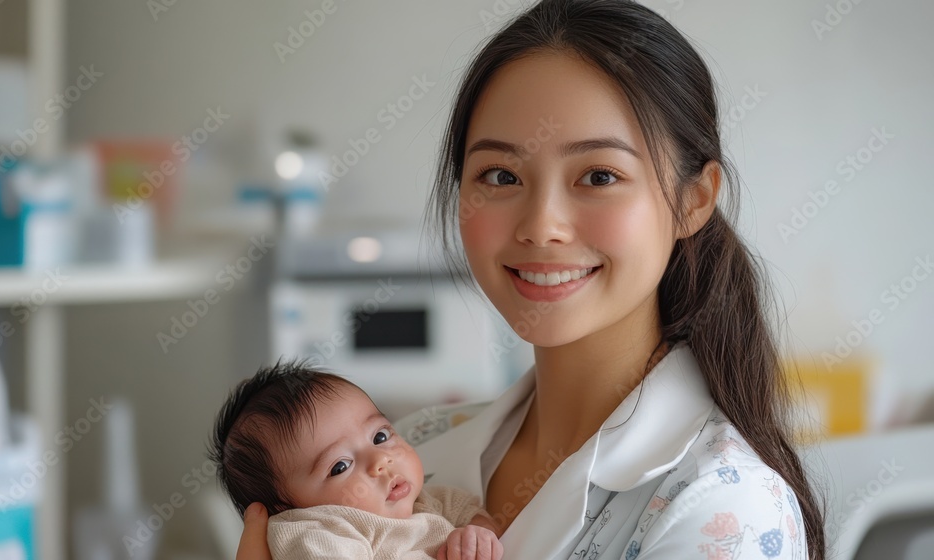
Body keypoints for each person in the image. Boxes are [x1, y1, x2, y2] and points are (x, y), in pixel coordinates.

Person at [236, 0, 825, 558]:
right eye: (499, 174)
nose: (541, 226)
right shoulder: (422, 445)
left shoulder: (724, 509)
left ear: (692, 200)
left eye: (598, 176)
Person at [209, 359, 504, 560]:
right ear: (285, 509)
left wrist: (477, 536)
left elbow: (470, 511)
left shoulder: (431, 500)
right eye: (340, 466)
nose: (380, 461)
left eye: (380, 437)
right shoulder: (316, 531)